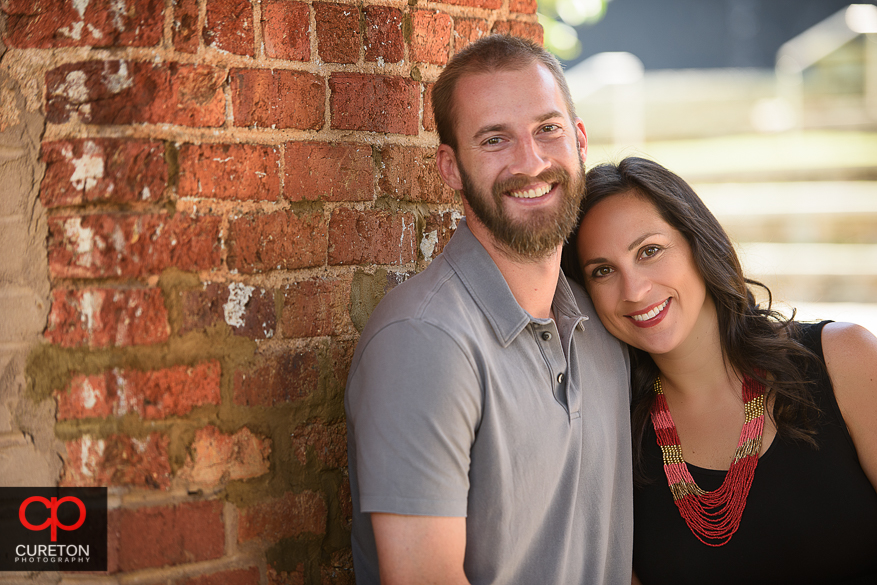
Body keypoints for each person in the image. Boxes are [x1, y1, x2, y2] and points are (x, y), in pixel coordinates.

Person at [344, 35, 633, 585]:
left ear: (579, 139)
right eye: (495, 139)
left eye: (548, 129)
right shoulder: (424, 341)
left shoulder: (603, 320)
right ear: (450, 168)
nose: (532, 161)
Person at [562, 156, 877, 584]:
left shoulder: (844, 359)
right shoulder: (614, 442)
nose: (634, 290)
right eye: (603, 271)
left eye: (649, 251)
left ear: (697, 243)